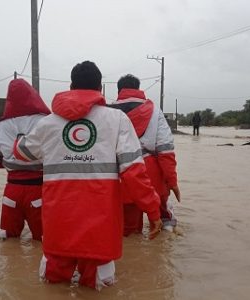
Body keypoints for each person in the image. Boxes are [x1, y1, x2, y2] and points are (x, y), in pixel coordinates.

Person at [13, 61, 162, 290]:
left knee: (52, 286)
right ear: (100, 88)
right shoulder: (118, 120)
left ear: (71, 86)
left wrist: (17, 138)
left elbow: (22, 153)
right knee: (97, 289)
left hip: (58, 225)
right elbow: (134, 172)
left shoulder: (47, 124)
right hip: (100, 230)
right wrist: (153, 210)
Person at [109, 74, 181, 235]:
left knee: (129, 232)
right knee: (163, 223)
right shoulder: (155, 111)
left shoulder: (108, 112)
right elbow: (166, 150)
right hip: (152, 176)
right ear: (138, 88)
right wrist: (172, 181)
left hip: (122, 177)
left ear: (119, 90)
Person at [0, 79, 51, 240]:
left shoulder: (0, 126)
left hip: (12, 191)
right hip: (39, 190)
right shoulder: (46, 121)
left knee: (8, 241)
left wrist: (9, 162)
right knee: (43, 240)